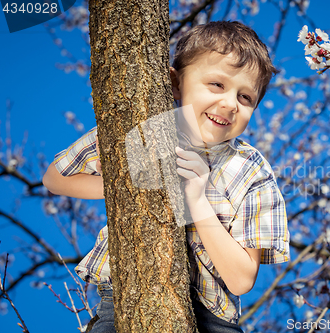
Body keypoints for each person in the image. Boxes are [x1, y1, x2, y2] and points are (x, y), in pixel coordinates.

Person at [42, 21, 290, 333]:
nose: (229, 103)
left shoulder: (250, 169)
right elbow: (55, 179)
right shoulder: (142, 132)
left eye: (245, 98)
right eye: (217, 84)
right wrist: (125, 184)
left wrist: (197, 201)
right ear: (175, 83)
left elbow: (241, 280)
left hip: (212, 320)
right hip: (124, 298)